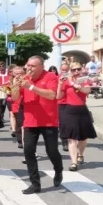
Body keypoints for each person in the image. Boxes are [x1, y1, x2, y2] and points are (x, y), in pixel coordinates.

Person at [11, 56, 63, 195]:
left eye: (32, 66)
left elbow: (52, 95)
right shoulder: (25, 79)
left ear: (41, 66)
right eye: (27, 65)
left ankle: (58, 170)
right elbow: (15, 98)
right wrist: (15, 86)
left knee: (51, 151)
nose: (28, 68)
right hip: (30, 121)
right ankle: (35, 184)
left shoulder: (51, 76)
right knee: (28, 151)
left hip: (48, 121)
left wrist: (32, 87)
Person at [57, 61, 96, 171]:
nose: (77, 71)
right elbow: (59, 96)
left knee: (83, 137)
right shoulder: (65, 81)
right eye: (74, 70)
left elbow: (86, 91)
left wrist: (74, 84)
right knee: (72, 138)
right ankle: (73, 162)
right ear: (71, 70)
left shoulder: (85, 79)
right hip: (70, 110)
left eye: (78, 69)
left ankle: (80, 154)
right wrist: (60, 84)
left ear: (82, 69)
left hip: (82, 110)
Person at [58, 62, 70, 152]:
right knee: (63, 123)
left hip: (71, 103)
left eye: (66, 70)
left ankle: (72, 139)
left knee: (71, 123)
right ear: (60, 69)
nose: (65, 71)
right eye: (63, 70)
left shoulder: (71, 78)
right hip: (61, 103)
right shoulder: (57, 78)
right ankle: (64, 141)